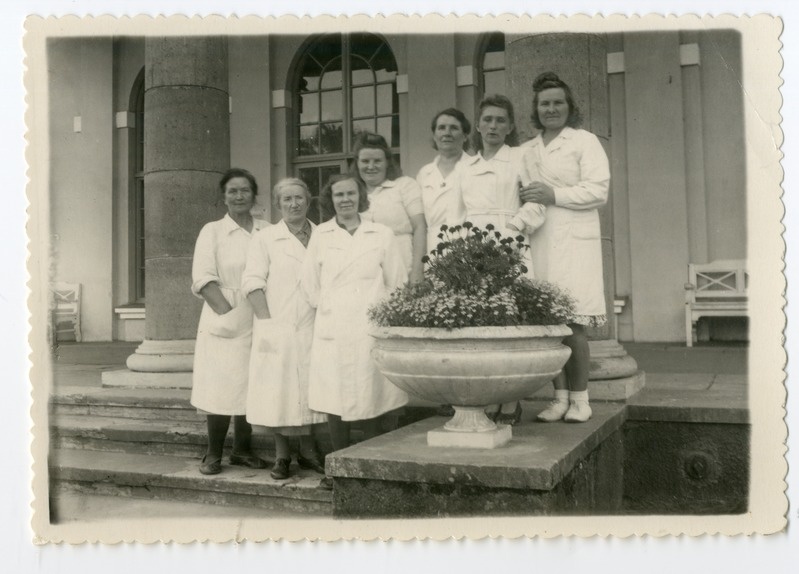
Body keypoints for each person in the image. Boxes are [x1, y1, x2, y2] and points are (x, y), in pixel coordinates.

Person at [302, 175, 408, 485]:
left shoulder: (381, 233)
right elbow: (309, 284)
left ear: (360, 196)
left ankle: (369, 464)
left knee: (371, 392)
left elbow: (397, 281)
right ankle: (338, 469)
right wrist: (332, 306)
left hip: (369, 324)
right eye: (339, 194)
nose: (345, 199)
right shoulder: (321, 235)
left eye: (350, 193)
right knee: (335, 394)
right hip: (333, 325)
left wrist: (377, 309)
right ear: (330, 199)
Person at [520, 72, 610, 424]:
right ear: (536, 109)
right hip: (540, 238)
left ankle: (581, 399)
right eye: (544, 103)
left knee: (574, 324)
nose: (551, 109)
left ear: (570, 107)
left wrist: (553, 194)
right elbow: (525, 191)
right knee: (548, 324)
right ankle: (558, 398)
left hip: (575, 241)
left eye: (558, 102)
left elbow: (598, 190)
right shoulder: (530, 149)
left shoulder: (583, 141)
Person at [460, 94, 547, 426]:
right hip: (474, 247)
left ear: (510, 126)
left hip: (510, 242)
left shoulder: (520, 157)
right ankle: (491, 397)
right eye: (488, 120)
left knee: (510, 322)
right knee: (482, 323)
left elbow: (537, 203)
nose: (493, 126)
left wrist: (513, 230)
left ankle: (511, 401)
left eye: (500, 120)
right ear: (478, 125)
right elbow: (460, 212)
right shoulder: (467, 165)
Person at [242, 178, 327, 480]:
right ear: (278, 205)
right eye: (287, 199)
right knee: (278, 394)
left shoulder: (324, 235)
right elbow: (252, 283)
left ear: (309, 201)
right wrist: (269, 325)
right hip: (277, 327)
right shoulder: (265, 239)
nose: (294, 204)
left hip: (314, 326)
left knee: (310, 392)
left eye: (299, 198)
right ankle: (282, 457)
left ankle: (309, 452)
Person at [190, 168, 270, 475]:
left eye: (245, 190)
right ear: (223, 197)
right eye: (233, 191)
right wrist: (229, 312)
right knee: (221, 384)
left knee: (250, 384)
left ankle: (242, 450)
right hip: (225, 312)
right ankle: (213, 453)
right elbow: (203, 277)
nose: (239, 196)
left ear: (254, 195)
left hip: (260, 313)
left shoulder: (266, 229)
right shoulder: (212, 231)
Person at [351, 132, 427, 284]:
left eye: (377, 161)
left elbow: (420, 227)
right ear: (357, 163)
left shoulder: (404, 185)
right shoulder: (353, 193)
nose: (371, 166)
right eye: (365, 161)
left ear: (387, 162)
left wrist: (418, 270)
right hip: (366, 273)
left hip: (403, 265)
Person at [416, 108, 472, 250]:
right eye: (441, 128)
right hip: (433, 247)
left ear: (465, 136)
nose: (447, 133)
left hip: (468, 246)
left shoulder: (475, 168)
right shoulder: (424, 173)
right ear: (434, 136)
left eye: (454, 128)